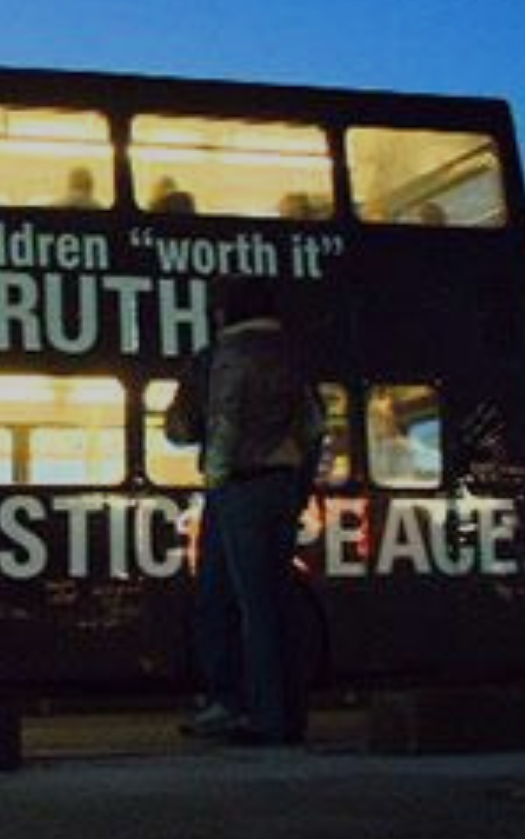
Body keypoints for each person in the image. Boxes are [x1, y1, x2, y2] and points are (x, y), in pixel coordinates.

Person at [166, 277, 322, 746]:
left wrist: (216, 477)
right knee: (275, 599)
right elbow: (314, 427)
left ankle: (261, 717)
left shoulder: (225, 355)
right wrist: (299, 487)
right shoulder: (292, 353)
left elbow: (219, 423)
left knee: (245, 605)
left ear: (224, 312)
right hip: (283, 485)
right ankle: (286, 713)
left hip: (239, 487)